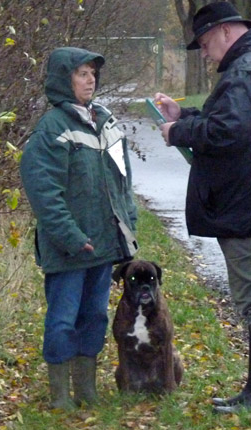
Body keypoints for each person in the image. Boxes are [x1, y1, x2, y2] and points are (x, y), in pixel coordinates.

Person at [20, 47, 138, 411]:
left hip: (103, 245)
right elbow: (43, 192)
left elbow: (122, 182)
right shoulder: (52, 128)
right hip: (69, 248)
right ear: (63, 80)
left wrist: (128, 224)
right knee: (62, 320)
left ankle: (86, 390)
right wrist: (72, 238)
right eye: (82, 74)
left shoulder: (105, 121)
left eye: (92, 74)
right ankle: (59, 397)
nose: (90, 80)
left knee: (94, 317)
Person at [155, 2, 251, 414]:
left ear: (226, 31)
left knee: (249, 301)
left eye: (206, 42)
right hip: (242, 206)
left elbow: (230, 130)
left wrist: (180, 130)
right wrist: (187, 115)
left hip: (243, 211)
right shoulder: (241, 70)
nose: (206, 53)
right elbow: (230, 121)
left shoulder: (242, 72)